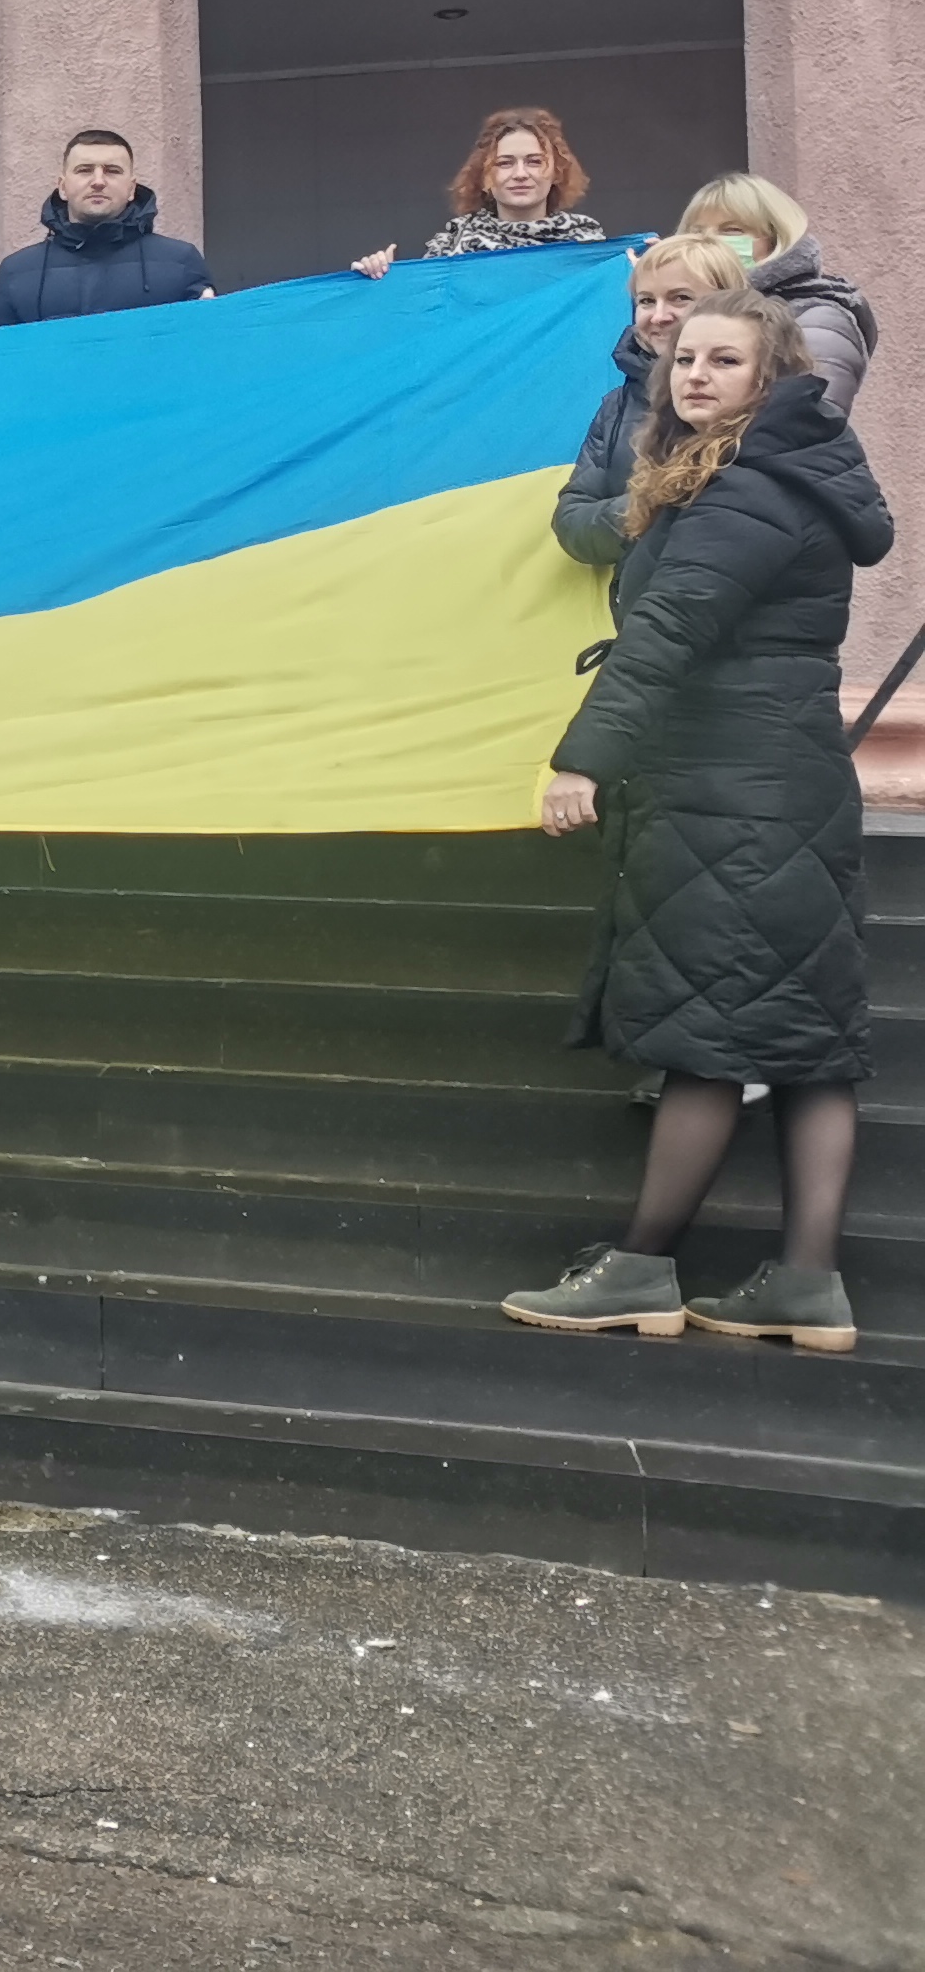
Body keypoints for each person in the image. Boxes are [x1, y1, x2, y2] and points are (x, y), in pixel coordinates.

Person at [505, 296, 891, 1353]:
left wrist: (583, 757)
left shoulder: (747, 489)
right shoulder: (780, 476)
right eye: (684, 359)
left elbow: (669, 631)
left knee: (709, 1032)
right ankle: (805, 1286)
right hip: (784, 781)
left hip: (732, 787)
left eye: (724, 360)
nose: (694, 375)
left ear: (773, 379)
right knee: (806, 1039)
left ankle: (639, 1268)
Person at [551, 234, 749, 567]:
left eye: (680, 298)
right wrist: (653, 504)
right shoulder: (617, 407)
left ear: (728, 302)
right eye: (646, 300)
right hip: (641, 597)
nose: (658, 316)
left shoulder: (765, 395)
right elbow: (572, 522)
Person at [678, 172, 878, 419]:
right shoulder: (693, 311)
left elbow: (808, 421)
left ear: (776, 239)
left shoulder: (816, 318)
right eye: (697, 232)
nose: (709, 241)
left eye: (731, 230)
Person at [0, 130, 213, 325]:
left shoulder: (180, 261)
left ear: (131, 189)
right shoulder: (17, 271)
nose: (98, 181)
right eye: (84, 170)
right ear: (62, 187)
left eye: (112, 171)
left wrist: (213, 321)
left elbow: (204, 345)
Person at [351, 105, 606, 277]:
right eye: (504, 163)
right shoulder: (450, 246)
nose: (520, 173)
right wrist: (381, 280)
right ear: (484, 176)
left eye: (534, 161)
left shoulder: (587, 243)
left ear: (557, 172)